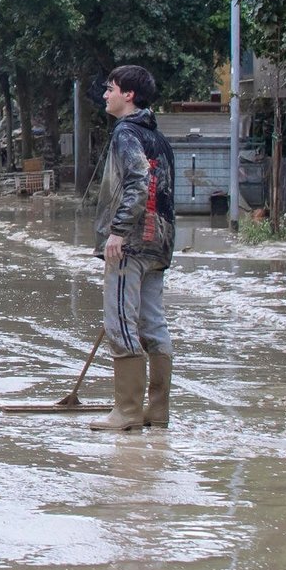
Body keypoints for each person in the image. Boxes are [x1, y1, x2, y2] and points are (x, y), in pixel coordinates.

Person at [90, 65, 177, 433]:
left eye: (110, 89)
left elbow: (139, 183)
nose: (105, 95)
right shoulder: (158, 136)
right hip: (160, 242)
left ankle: (126, 412)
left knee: (120, 323)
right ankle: (156, 413)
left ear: (128, 95)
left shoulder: (126, 133)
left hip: (132, 244)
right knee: (152, 324)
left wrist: (118, 232)